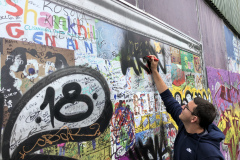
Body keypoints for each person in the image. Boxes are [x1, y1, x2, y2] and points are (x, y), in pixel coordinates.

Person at [148, 55, 225, 160]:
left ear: (194, 119)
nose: (182, 106)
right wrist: (154, 70)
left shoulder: (209, 153)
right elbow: (168, 98)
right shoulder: (185, 125)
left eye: (186, 107)